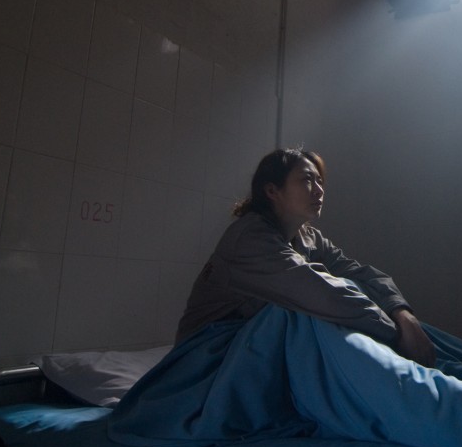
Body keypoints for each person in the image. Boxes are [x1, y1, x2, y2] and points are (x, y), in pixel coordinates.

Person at [175, 147, 436, 367]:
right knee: (300, 313)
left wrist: (403, 314)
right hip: (206, 355)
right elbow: (322, 295)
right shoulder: (249, 239)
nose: (319, 190)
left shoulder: (308, 236)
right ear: (272, 191)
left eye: (320, 181)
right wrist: (397, 334)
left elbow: (360, 274)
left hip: (249, 348)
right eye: (307, 180)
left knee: (351, 289)